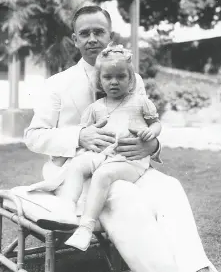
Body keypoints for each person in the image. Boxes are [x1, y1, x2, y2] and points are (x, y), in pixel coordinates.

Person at [24, 5, 218, 272]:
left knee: (170, 187)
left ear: (110, 36)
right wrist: (79, 135)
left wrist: (152, 144)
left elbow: (146, 120)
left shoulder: (131, 78)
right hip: (77, 172)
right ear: (75, 39)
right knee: (122, 194)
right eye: (85, 33)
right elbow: (34, 136)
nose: (92, 38)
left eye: (99, 31)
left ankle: (197, 267)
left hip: (126, 164)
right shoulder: (57, 84)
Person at [28, 44, 162, 251]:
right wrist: (82, 135)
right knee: (78, 166)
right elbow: (83, 130)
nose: (114, 82)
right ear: (99, 80)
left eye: (121, 77)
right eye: (108, 78)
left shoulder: (140, 101)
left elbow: (155, 122)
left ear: (131, 79)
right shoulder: (96, 107)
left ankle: (85, 228)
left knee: (102, 175)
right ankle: (66, 208)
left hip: (128, 159)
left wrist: (152, 135)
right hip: (104, 154)